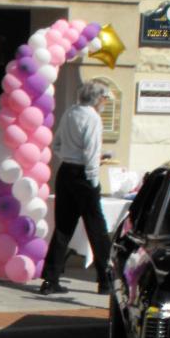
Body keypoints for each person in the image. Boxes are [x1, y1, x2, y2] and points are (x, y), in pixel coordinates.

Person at [40, 80, 112, 296]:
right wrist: (93, 179)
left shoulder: (70, 113)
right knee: (97, 228)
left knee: (63, 227)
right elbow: (91, 152)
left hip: (66, 172)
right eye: (104, 99)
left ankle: (50, 279)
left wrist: (69, 157)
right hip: (83, 175)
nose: (105, 103)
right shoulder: (93, 118)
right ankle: (105, 280)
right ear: (98, 99)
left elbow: (57, 144)